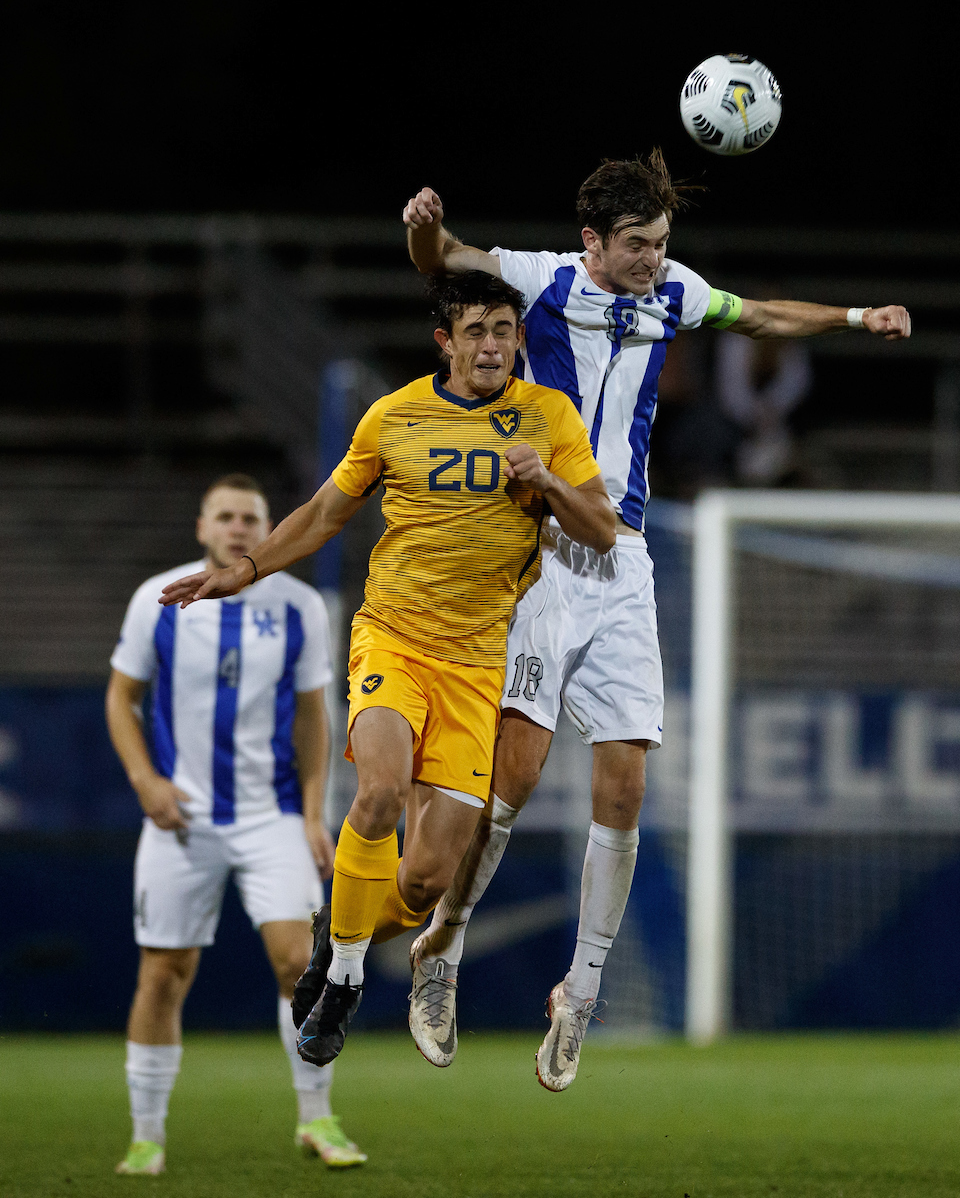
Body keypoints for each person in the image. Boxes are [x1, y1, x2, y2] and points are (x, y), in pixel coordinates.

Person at [402, 150, 912, 1091]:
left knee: (627, 790)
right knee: (509, 783)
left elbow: (757, 314)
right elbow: (446, 260)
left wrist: (853, 316)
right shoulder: (544, 278)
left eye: (661, 243)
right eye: (637, 245)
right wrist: (420, 225)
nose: (652, 259)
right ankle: (443, 953)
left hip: (622, 559)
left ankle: (581, 996)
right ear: (593, 240)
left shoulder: (675, 292)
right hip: (541, 550)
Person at [158, 271, 616, 1070]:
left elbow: (603, 530)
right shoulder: (395, 415)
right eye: (475, 331)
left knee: (425, 882)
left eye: (505, 330)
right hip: (393, 638)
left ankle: (338, 932)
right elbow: (327, 512)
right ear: (444, 340)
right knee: (376, 788)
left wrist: (544, 481)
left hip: (478, 664)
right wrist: (248, 567)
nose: (492, 345)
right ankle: (342, 978)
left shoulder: (549, 419)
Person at [107, 474, 366, 1175]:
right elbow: (121, 696)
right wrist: (144, 781)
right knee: (164, 973)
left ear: (266, 527)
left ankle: (317, 1118)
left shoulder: (300, 606)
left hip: (270, 816)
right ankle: (147, 1134)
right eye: (224, 516)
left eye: (251, 517)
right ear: (202, 527)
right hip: (181, 819)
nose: (238, 528)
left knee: (299, 964)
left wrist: (314, 814)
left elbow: (315, 716)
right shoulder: (157, 600)